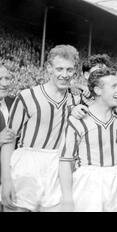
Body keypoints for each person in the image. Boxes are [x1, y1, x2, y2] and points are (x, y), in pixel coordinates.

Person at [1, 45, 80, 212]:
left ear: (75, 71)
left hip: (57, 168)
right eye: (59, 69)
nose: (64, 75)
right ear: (49, 68)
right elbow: (9, 141)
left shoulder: (76, 101)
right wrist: (6, 179)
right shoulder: (27, 96)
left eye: (69, 69)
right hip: (26, 165)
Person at [59, 68, 117, 212]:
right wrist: (67, 198)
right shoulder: (78, 120)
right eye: (113, 86)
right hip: (88, 185)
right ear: (98, 91)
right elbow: (65, 161)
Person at [0, 64, 16, 211]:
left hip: (14, 177)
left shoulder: (16, 102)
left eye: (7, 78)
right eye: (0, 79)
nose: (5, 83)